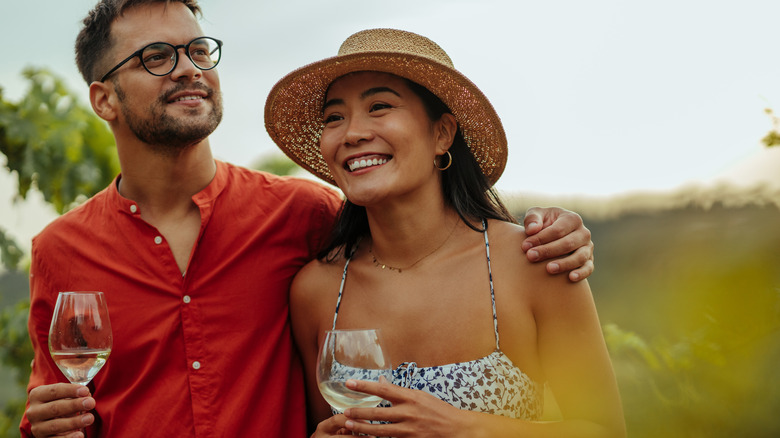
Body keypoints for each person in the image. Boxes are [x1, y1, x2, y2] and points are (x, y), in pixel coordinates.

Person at [21, 2, 595, 437]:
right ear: (104, 100)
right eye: (155, 57)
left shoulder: (301, 216)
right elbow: (58, 401)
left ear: (442, 131)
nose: (188, 70)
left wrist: (556, 229)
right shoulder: (60, 251)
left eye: (198, 52)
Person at [265, 28, 626, 437]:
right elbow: (326, 426)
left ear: (442, 134)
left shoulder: (532, 261)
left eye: (379, 106)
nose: (352, 133)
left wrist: (467, 428)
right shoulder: (317, 291)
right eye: (334, 117)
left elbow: (606, 429)